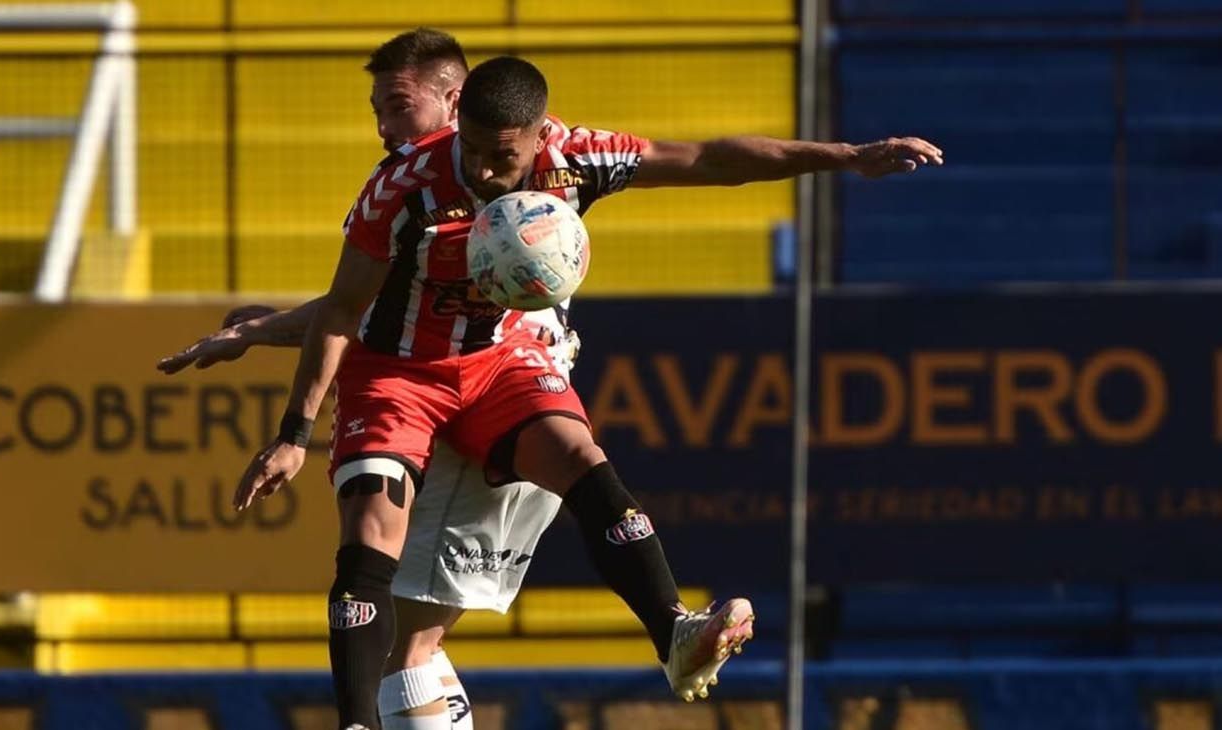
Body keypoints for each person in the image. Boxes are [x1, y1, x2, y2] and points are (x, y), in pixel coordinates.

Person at [216, 55, 941, 730]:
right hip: (400, 373)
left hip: (498, 360)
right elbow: (344, 310)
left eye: (504, 156)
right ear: (457, 118)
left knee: (578, 455)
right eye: (472, 148)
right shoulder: (404, 188)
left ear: (538, 138)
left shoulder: (578, 158)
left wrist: (847, 156)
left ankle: (674, 633)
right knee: (374, 538)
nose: (485, 170)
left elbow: (711, 159)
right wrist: (292, 430)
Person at [158, 30, 573, 730]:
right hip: (479, 405)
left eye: (398, 106)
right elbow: (372, 312)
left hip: (485, 405)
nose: (383, 125)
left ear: (455, 100)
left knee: (401, 641)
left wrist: (261, 335)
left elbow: (372, 316)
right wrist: (263, 329)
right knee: (402, 638)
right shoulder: (460, 175)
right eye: (375, 108)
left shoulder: (470, 186)